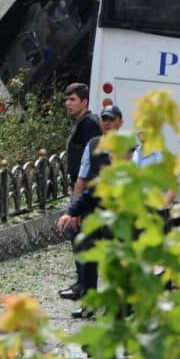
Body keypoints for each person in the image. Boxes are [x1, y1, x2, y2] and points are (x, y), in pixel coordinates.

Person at [58, 105, 124, 314]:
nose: (107, 123)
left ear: (120, 122)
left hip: (118, 210)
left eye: (111, 119)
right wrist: (74, 210)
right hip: (94, 206)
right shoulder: (93, 144)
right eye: (104, 119)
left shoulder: (130, 147)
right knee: (87, 255)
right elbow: (82, 179)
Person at [58, 82, 102, 307]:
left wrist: (82, 193)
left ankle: (85, 285)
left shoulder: (90, 124)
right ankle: (80, 282)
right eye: (66, 99)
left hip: (84, 188)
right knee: (76, 234)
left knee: (80, 234)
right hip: (77, 184)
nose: (68, 103)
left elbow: (91, 161)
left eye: (72, 99)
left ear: (84, 101)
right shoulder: (81, 123)